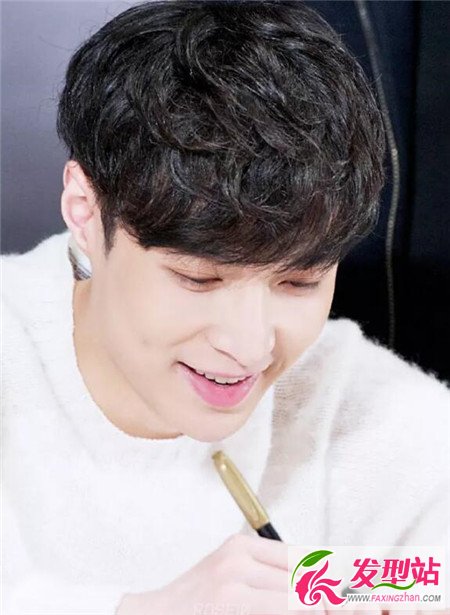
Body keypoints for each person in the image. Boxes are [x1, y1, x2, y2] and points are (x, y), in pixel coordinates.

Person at [2, 1, 449, 614]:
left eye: (298, 282)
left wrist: (338, 585)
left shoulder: (373, 411)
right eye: (199, 279)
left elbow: (435, 578)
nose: (248, 346)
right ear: (85, 211)